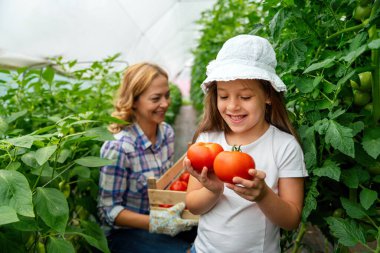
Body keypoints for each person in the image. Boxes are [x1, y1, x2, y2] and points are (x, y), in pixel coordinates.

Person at [184, 35, 308, 253]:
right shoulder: (207, 141)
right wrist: (213, 191)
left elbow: (292, 219)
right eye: (223, 96)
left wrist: (263, 195)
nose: (232, 106)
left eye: (245, 97)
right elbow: (192, 206)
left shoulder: (284, 146)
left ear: (268, 95)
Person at [97, 62, 197, 253]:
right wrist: (155, 222)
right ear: (134, 101)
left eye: (167, 96)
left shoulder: (166, 132)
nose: (165, 103)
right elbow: (107, 212)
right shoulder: (119, 148)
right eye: (156, 98)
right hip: (125, 234)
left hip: (159, 217)